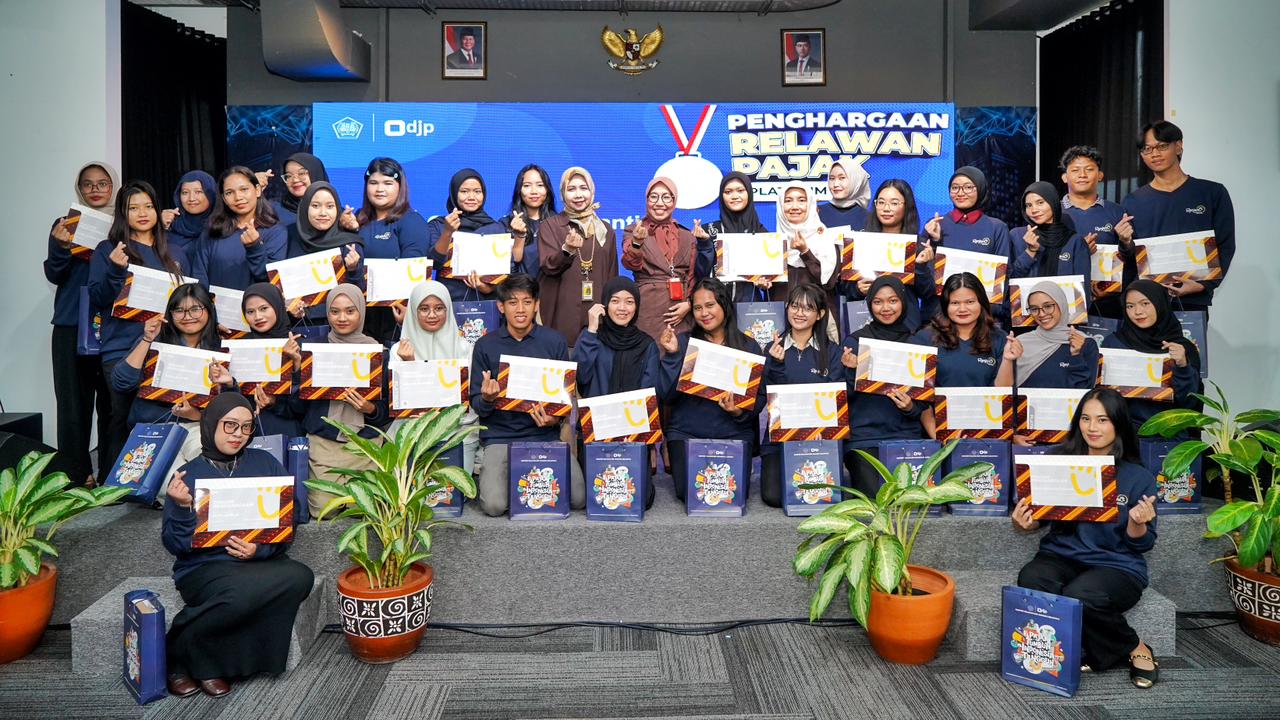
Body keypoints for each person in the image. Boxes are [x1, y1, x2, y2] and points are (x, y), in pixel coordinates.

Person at [162, 392, 315, 699]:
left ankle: (212, 661)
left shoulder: (265, 462)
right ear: (210, 424)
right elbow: (176, 544)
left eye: (246, 427)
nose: (238, 434)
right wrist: (181, 506)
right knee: (238, 593)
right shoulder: (189, 475)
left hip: (258, 561)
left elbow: (286, 524)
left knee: (301, 577)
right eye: (230, 425)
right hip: (204, 567)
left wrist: (259, 549)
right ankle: (182, 658)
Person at [1012, 387, 1160, 689]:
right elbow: (1040, 517)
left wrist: (1137, 523)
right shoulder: (1057, 460)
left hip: (1117, 565)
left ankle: (1134, 646)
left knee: (1080, 595)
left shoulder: (1138, 476)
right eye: (1086, 418)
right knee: (1031, 579)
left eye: (1103, 420)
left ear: (1118, 423)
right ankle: (1076, 649)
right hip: (1061, 556)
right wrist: (1025, 522)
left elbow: (1143, 543)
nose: (1093, 427)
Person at [88, 180, 190, 466]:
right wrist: (114, 269)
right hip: (122, 350)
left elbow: (191, 298)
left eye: (148, 206)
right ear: (123, 213)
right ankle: (113, 482)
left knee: (161, 418)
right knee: (120, 418)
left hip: (167, 349)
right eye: (133, 208)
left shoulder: (176, 252)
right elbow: (97, 297)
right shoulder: (109, 249)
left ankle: (156, 480)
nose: (142, 213)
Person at [469, 274, 584, 516]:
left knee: (578, 498)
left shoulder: (554, 342)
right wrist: (488, 398)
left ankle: (524, 481)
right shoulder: (485, 345)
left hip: (544, 436)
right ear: (501, 307)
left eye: (527, 302)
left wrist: (554, 419)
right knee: (493, 506)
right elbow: (477, 404)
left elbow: (564, 400)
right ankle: (521, 481)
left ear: (536, 305)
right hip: (500, 438)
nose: (520, 309)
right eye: (512, 302)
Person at [657, 278, 765, 502]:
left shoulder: (748, 346)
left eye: (710, 305)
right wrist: (673, 356)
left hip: (733, 432)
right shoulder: (683, 342)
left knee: (731, 491)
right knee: (690, 492)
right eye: (697, 308)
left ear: (724, 304)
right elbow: (666, 395)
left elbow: (759, 398)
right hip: (687, 433)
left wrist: (737, 411)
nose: (704, 313)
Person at [45, 161, 119, 486]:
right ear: (79, 188)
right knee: (72, 406)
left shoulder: (124, 225)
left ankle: (110, 474)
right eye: (88, 184)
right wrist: (62, 248)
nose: (95, 189)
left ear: (112, 186)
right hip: (71, 324)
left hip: (114, 326)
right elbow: (54, 274)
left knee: (112, 404)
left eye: (102, 183)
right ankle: (76, 475)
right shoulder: (65, 225)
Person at [1120, 120, 1235, 315]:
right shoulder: (1133, 201)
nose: (1155, 154)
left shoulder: (1212, 193)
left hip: (1193, 301)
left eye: (1162, 146)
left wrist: (1203, 285)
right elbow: (1131, 259)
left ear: (1179, 146)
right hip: (1147, 302)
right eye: (1147, 149)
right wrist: (1125, 243)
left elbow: (1225, 244)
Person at [301, 284, 391, 516]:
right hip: (324, 444)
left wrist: (370, 408)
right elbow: (298, 407)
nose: (342, 318)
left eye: (350, 311)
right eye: (335, 311)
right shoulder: (314, 350)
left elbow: (387, 409)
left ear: (361, 311)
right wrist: (297, 371)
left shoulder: (377, 352)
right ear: (327, 314)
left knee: (364, 509)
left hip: (364, 445)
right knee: (323, 510)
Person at [573, 277, 661, 506]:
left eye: (629, 302)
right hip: (596, 432)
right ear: (604, 305)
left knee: (641, 500)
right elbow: (580, 377)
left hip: (633, 434)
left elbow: (649, 393)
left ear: (637, 307)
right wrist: (592, 330)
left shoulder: (647, 344)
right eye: (615, 301)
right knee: (594, 497)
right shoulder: (592, 337)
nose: (622, 308)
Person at [839, 277, 929, 495]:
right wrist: (851, 372)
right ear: (870, 305)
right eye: (878, 302)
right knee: (876, 496)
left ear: (903, 303)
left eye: (893, 301)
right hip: (864, 438)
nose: (886, 308)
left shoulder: (917, 344)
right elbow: (842, 401)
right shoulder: (855, 342)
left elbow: (923, 404)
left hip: (906, 435)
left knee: (907, 498)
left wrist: (910, 407)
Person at [760, 283, 845, 507]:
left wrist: (820, 429)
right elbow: (767, 398)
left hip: (820, 437)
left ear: (820, 314)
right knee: (774, 496)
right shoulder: (773, 348)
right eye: (795, 306)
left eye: (808, 308)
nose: (799, 313)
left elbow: (835, 401)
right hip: (780, 437)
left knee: (823, 496)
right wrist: (776, 364)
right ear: (787, 308)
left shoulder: (832, 351)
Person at [110, 283, 235, 428]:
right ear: (170, 313)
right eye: (179, 310)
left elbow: (230, 404)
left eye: (195, 309)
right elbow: (122, 383)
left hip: (200, 427)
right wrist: (147, 339)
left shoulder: (222, 347)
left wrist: (197, 416)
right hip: (151, 425)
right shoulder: (156, 339)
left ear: (209, 310)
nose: (187, 316)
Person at [338, 158, 429, 343]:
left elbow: (413, 275)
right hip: (358, 318)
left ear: (400, 186)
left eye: (387, 183)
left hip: (395, 318)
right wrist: (345, 229)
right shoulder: (356, 220)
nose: (380, 189)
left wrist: (408, 314)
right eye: (373, 183)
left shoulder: (412, 221)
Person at [394, 280, 479, 474]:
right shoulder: (399, 350)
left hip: (457, 432)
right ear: (413, 312)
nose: (432, 315)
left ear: (448, 309)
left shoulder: (465, 348)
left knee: (455, 487)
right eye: (424, 309)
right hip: (414, 430)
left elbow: (468, 401)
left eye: (439, 308)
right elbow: (401, 402)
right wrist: (409, 364)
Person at [1100, 279, 1202, 434]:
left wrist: (1183, 365)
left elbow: (1189, 404)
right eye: (1130, 306)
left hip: (1169, 435)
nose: (1137, 311)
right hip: (1121, 435)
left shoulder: (1182, 348)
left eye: (1145, 303)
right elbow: (1102, 398)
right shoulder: (1113, 343)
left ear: (1159, 303)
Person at [838, 178, 935, 331]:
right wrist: (857, 289)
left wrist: (921, 267)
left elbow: (928, 293)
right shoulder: (860, 241)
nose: (886, 208)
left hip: (906, 328)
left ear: (907, 206)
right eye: (881, 202)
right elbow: (843, 286)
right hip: (866, 325)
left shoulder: (918, 245)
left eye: (894, 203)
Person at [538, 167, 618, 348]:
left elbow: (612, 275)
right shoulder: (551, 226)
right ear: (562, 194)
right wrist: (567, 250)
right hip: (562, 315)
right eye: (571, 189)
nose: (578, 195)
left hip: (599, 316)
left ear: (592, 191)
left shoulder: (605, 230)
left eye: (583, 188)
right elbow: (548, 267)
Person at [623, 177, 697, 342]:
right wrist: (636, 242)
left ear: (674, 201)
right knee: (649, 353)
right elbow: (630, 263)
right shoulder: (634, 230)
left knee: (680, 354)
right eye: (654, 197)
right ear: (647, 200)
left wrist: (689, 304)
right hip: (648, 308)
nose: (659, 203)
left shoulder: (687, 235)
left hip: (681, 312)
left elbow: (693, 276)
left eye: (666, 197)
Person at [190, 166, 286, 291]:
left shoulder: (276, 231)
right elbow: (199, 276)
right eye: (229, 193)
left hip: (256, 303)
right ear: (224, 199)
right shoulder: (212, 231)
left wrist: (254, 247)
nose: (238, 197)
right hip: (215, 303)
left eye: (244, 189)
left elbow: (271, 281)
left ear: (257, 190)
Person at [1060, 146, 1127, 318]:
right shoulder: (1053, 213)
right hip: (1064, 300)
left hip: (1108, 302)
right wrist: (1079, 253)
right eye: (1075, 170)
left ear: (1100, 175)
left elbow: (1129, 259)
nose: (1082, 175)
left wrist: (1126, 243)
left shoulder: (1117, 212)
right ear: (1065, 177)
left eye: (1089, 169)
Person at [915, 272, 1015, 388]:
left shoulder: (1000, 338)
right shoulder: (925, 338)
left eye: (970, 302)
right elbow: (917, 388)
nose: (962, 309)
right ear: (945, 305)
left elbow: (1003, 391)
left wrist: (1007, 360)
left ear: (981, 303)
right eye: (955, 303)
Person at [285, 182, 365, 325]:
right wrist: (289, 304)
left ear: (338, 209)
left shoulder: (349, 243)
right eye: (315, 206)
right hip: (297, 325)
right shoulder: (289, 236)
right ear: (305, 207)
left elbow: (359, 295)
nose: (323, 213)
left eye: (330, 206)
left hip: (340, 326)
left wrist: (353, 269)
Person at [426, 168, 510, 303]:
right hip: (447, 303)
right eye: (464, 191)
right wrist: (448, 232)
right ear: (454, 193)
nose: (471, 197)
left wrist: (487, 288)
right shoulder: (439, 225)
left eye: (477, 191)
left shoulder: (496, 228)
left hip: (485, 302)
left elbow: (506, 274)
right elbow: (434, 264)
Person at [239, 282, 304, 439]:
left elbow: (302, 408)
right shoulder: (240, 347)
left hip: (287, 431)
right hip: (244, 431)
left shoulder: (297, 345)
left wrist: (296, 363)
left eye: (264, 309)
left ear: (277, 306)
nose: (258, 317)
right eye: (250, 311)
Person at [693, 172, 770, 304]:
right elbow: (700, 274)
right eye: (728, 192)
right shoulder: (709, 231)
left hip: (749, 307)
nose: (734, 196)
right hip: (716, 307)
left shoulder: (760, 233)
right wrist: (704, 243)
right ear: (722, 196)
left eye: (740, 190)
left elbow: (769, 277)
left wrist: (765, 282)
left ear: (749, 193)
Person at [1011, 182, 1092, 303]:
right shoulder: (1017, 235)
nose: (1034, 210)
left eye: (1040, 203)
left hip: (1066, 313)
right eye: (1028, 205)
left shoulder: (1075, 241)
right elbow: (1009, 281)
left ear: (1053, 203)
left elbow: (1083, 293)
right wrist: (1030, 252)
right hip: (1026, 312)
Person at [1014, 280, 1098, 389]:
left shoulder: (1084, 343)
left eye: (1048, 306)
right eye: (1034, 309)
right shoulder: (1020, 342)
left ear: (1061, 304)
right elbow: (1008, 389)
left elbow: (1086, 392)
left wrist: (1076, 356)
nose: (1041, 314)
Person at [923, 166, 1013, 257]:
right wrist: (935, 242)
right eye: (955, 187)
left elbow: (1003, 265)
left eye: (968, 187)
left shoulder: (997, 227)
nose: (960, 193)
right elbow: (922, 263)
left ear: (980, 189)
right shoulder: (935, 224)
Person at [501, 164, 557, 277]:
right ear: (519, 190)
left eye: (540, 185)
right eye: (527, 186)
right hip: (520, 286)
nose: (534, 191)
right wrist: (519, 236)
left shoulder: (558, 223)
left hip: (550, 285)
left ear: (547, 189)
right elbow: (511, 263)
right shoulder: (506, 224)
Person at [268, 152, 328, 226]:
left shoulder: (334, 210)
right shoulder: (273, 208)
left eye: (301, 173)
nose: (295, 180)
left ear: (316, 174)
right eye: (289, 176)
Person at [163, 170, 216, 251]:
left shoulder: (224, 225)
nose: (191, 198)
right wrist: (160, 226)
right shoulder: (170, 225)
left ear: (211, 194)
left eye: (198, 192)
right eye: (185, 193)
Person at [817, 158, 871, 230]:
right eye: (832, 178)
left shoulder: (870, 218)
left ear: (856, 180)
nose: (835, 184)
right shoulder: (816, 213)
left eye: (842, 178)